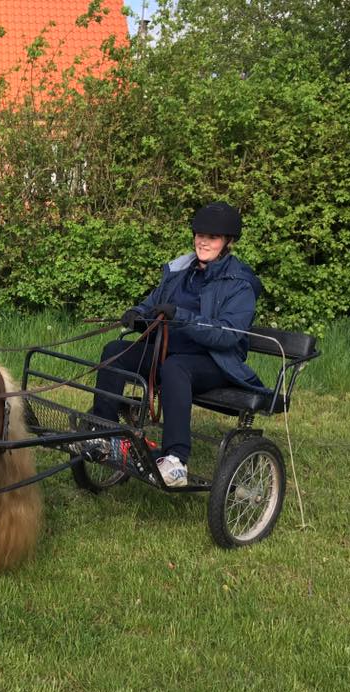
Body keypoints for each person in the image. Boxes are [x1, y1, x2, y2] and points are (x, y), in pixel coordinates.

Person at [89, 201, 266, 487]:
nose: (203, 242)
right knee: (115, 352)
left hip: (214, 361)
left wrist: (182, 317)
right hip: (166, 351)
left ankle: (176, 460)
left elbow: (228, 334)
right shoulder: (180, 270)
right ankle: (103, 434)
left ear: (228, 242)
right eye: (200, 235)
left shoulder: (239, 283)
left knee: (175, 367)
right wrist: (138, 314)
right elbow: (154, 302)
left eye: (212, 237)